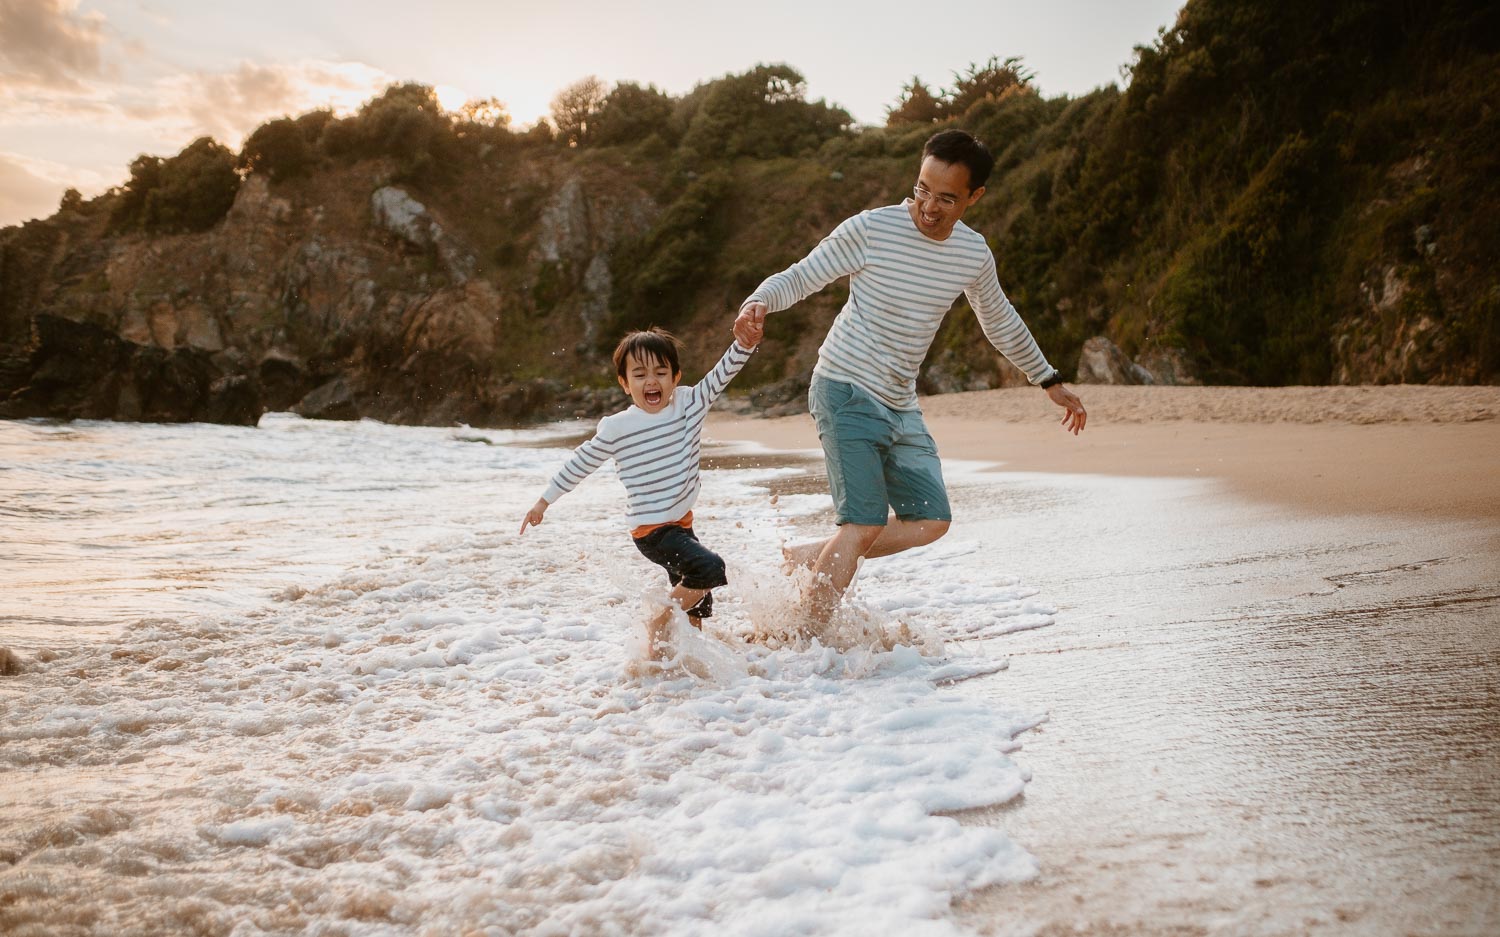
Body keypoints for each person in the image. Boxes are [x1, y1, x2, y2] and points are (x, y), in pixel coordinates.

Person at [735, 128, 1087, 630]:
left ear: (974, 197)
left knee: (931, 520)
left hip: (899, 402)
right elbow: (802, 274)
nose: (928, 206)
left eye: (946, 198)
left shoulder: (971, 253)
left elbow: (999, 319)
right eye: (922, 189)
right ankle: (803, 640)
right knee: (862, 522)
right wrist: (759, 301)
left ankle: (800, 557)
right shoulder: (872, 229)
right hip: (844, 386)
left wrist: (1048, 379)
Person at [520, 318, 763, 660]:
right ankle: (657, 622)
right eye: (639, 374)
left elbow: (723, 373)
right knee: (709, 569)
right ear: (624, 383)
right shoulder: (618, 427)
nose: (651, 381)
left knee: (699, 600)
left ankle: (685, 658)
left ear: (675, 377)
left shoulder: (690, 404)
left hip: (681, 525)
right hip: (651, 532)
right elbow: (581, 462)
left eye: (661, 372)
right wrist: (544, 501)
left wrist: (746, 344)